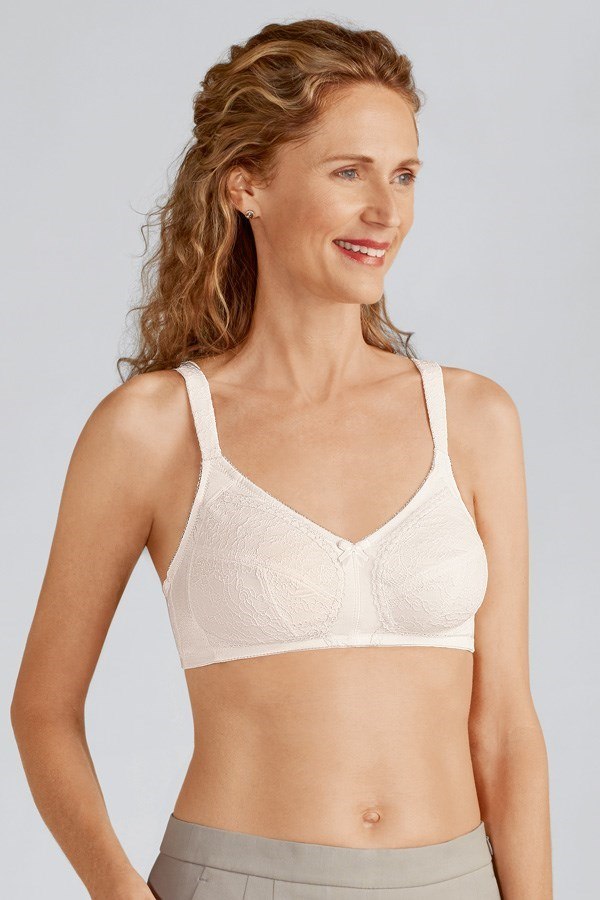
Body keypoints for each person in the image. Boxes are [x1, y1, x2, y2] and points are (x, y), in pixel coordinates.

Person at [10, 17, 553, 900]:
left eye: (404, 175)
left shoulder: (474, 418)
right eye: (349, 172)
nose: (386, 212)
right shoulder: (156, 428)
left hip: (455, 878)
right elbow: (42, 711)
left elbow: (506, 727)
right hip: (237, 880)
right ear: (246, 184)